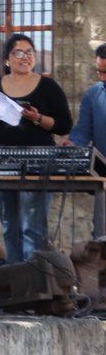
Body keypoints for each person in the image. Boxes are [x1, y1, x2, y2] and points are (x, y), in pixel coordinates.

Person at [0, 33, 73, 262]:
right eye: (19, 52)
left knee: (33, 227)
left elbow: (65, 124)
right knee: (10, 225)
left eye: (29, 53)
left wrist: (37, 118)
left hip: (39, 165)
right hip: (2, 165)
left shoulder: (48, 86)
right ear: (8, 58)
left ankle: (35, 284)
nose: (25, 57)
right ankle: (15, 281)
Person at [68, 44, 106, 235]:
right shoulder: (93, 95)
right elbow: (83, 131)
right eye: (99, 71)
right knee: (101, 235)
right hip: (104, 179)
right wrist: (73, 143)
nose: (102, 77)